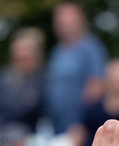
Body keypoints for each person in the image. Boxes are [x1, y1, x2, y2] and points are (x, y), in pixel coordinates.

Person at [44, 2, 108, 135]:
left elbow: (96, 87)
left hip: (79, 129)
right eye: (61, 21)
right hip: (56, 125)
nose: (65, 26)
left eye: (70, 21)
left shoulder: (91, 48)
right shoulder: (56, 52)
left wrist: (83, 124)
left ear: (81, 20)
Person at [0, 28, 46, 136]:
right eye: (20, 51)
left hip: (36, 136)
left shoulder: (43, 80)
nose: (23, 54)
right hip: (3, 136)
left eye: (27, 51)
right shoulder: (0, 80)